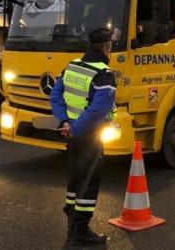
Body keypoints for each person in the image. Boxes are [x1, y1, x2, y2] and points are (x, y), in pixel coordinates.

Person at [50, 28, 117, 248]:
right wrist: (76, 128)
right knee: (89, 183)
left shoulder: (72, 66)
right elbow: (97, 111)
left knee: (75, 179)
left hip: (72, 135)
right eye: (111, 47)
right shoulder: (104, 75)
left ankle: (72, 225)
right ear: (107, 48)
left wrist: (64, 122)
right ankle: (80, 234)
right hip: (89, 136)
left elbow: (55, 94)